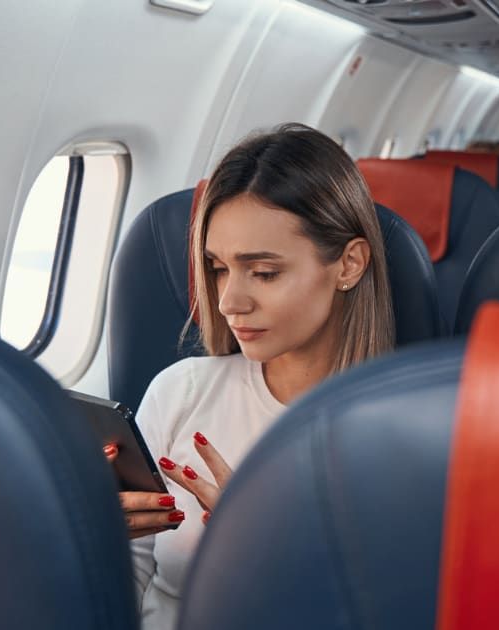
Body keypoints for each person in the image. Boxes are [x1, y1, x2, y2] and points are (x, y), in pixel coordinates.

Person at [105, 123, 395, 630]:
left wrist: (267, 552)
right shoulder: (181, 391)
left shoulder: (403, 437)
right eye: (218, 268)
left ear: (349, 264)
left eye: (263, 272)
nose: (228, 302)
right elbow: (124, 582)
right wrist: (93, 534)